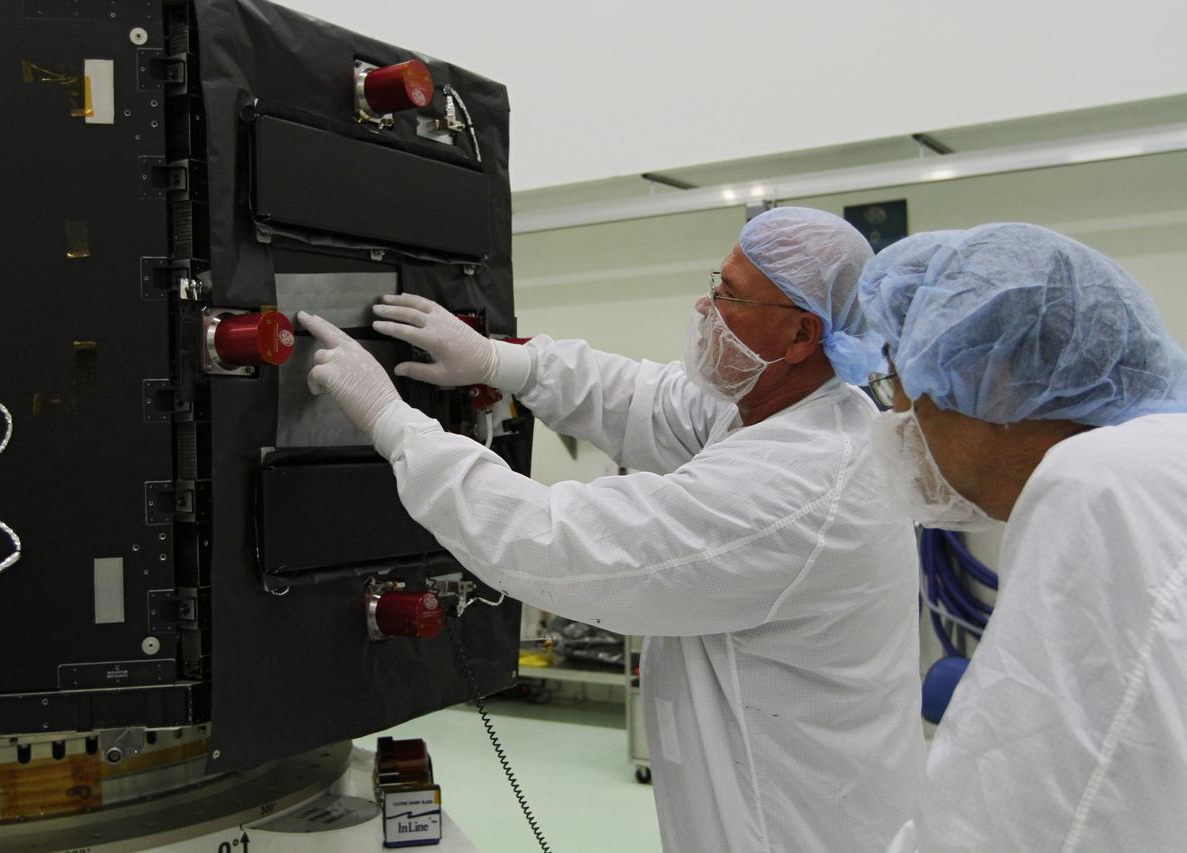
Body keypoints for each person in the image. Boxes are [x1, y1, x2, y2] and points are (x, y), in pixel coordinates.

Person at [300, 207, 925, 851]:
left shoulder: (798, 484)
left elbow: (560, 543)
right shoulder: (784, 409)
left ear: (801, 334)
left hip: (796, 829)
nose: (706, 306)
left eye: (732, 296)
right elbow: (645, 397)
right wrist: (502, 361)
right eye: (716, 282)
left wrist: (393, 422)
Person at [856, 223, 1187, 852]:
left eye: (897, 382)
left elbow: (1011, 818)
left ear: (995, 377)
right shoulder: (1166, 461)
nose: (897, 417)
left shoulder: (1101, 488)